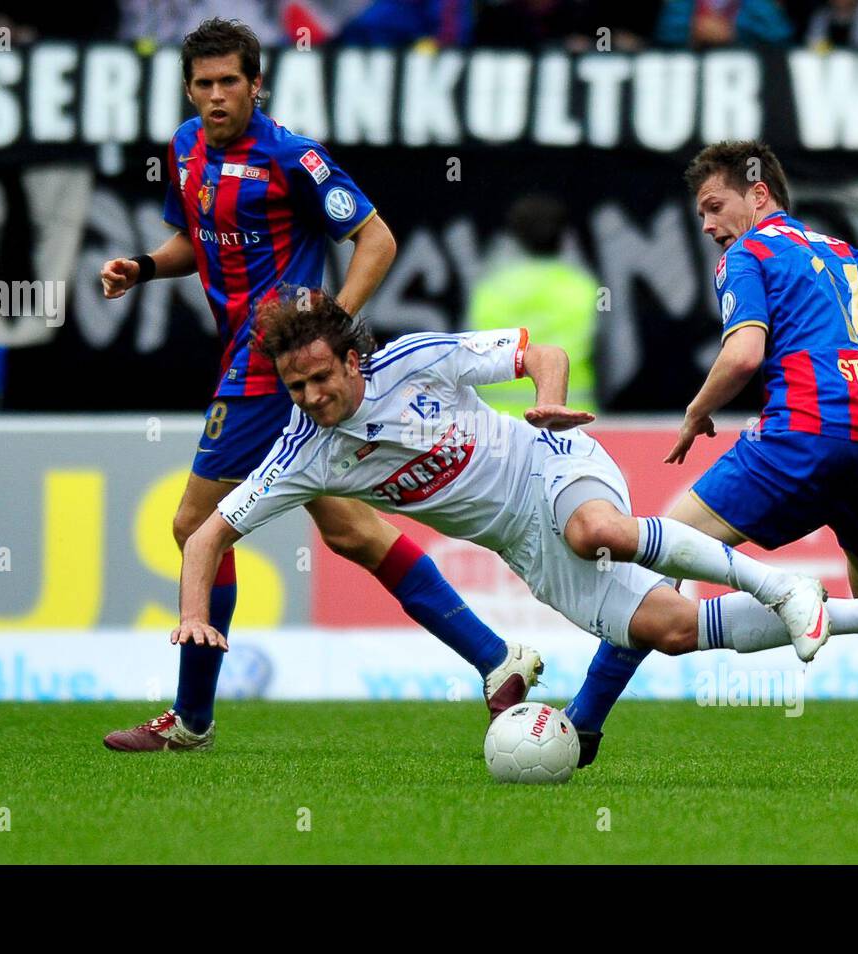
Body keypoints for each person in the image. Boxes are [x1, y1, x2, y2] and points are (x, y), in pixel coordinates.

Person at [98, 18, 538, 752]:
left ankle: (192, 718)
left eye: (229, 82)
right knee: (350, 530)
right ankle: (498, 659)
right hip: (241, 359)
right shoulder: (184, 148)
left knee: (192, 525)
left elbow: (377, 238)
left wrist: (331, 326)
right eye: (203, 83)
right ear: (187, 87)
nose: (215, 96)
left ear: (256, 83)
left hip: (268, 372)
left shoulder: (291, 156)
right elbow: (194, 239)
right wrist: (143, 267)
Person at [171, 291, 858, 709]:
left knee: (591, 528)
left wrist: (549, 400)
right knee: (667, 631)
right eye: (295, 387)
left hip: (552, 460)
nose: (311, 397)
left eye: (320, 378)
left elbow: (544, 351)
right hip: (523, 547)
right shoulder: (305, 454)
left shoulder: (413, 361)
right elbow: (206, 535)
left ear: (350, 359)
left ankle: (779, 586)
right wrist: (193, 618)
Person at [565, 140, 858, 783]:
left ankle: (582, 723)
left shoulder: (751, 253)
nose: (709, 225)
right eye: (701, 216)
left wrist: (695, 411)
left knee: (659, 558)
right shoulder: (851, 259)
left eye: (715, 206)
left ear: (759, 193)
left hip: (799, 441)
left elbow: (745, 355)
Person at [467, 194, 599, 416]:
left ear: (513, 236)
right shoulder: (583, 289)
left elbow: (465, 360)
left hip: (494, 425)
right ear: (565, 236)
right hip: (570, 423)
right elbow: (612, 363)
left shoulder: (488, 291)